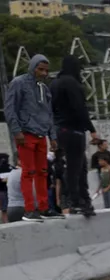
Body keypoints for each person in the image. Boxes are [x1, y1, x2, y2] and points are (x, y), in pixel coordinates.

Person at [5, 55, 59, 222]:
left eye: (46, 70)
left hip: (41, 134)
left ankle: (44, 207)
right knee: (28, 172)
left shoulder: (44, 88)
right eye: (40, 69)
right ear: (33, 67)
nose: (43, 73)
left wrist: (53, 136)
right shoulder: (19, 83)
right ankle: (29, 210)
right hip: (26, 133)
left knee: (43, 172)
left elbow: (49, 113)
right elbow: (10, 108)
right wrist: (16, 131)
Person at [50, 55, 100, 217]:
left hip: (59, 131)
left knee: (69, 168)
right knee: (77, 169)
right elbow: (80, 109)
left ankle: (75, 201)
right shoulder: (73, 84)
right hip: (74, 131)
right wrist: (92, 129)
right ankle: (79, 202)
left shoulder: (54, 83)